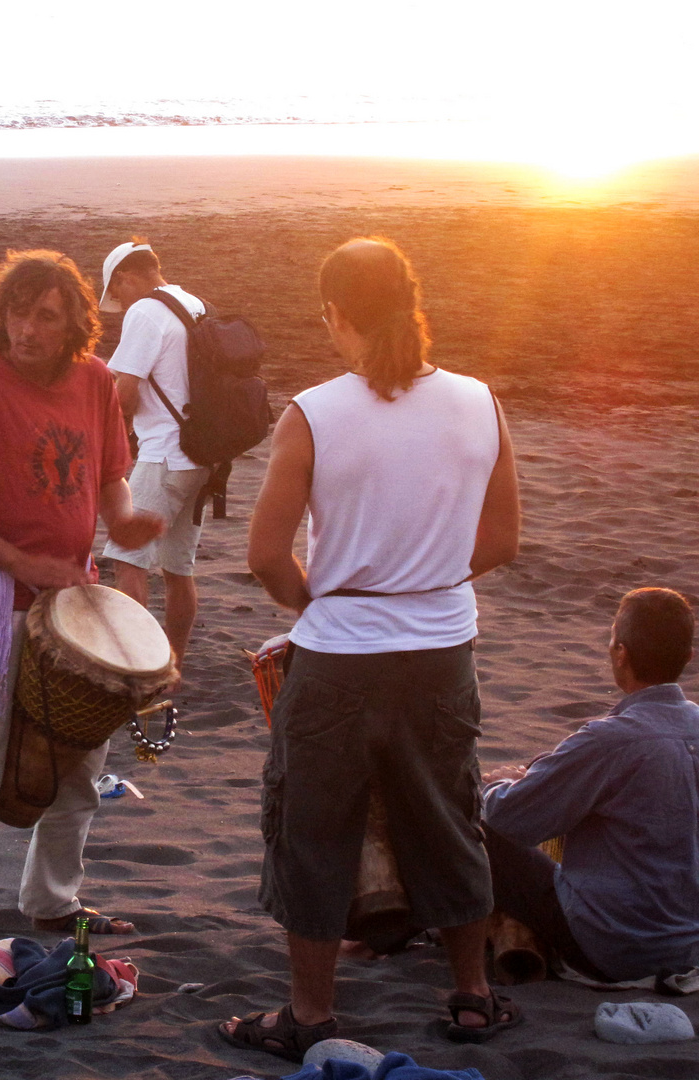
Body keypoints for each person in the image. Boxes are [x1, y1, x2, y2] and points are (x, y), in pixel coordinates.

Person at [230, 237, 521, 1060]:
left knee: (313, 830)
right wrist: (422, 578)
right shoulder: (478, 400)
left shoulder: (314, 412)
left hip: (339, 659)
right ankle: (471, 997)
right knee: (448, 818)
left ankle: (311, 1017)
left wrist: (316, 597)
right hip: (442, 649)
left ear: (335, 316)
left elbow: (264, 555)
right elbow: (500, 538)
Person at [0, 249, 164, 961]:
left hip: (75, 604)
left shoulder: (94, 382)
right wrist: (21, 563)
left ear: (75, 322)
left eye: (45, 317)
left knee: (80, 763)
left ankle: (53, 902)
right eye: (16, 314)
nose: (26, 330)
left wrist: (127, 520)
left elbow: (111, 478)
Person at [482, 587, 699, 983]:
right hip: (687, 944)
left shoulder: (611, 739)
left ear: (621, 653)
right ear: (688, 657)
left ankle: (385, 935)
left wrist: (495, 786)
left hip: (612, 945)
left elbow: (510, 817)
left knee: (471, 814)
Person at [97, 240, 209, 678]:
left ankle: (137, 667)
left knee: (130, 560)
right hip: (203, 458)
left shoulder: (144, 312)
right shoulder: (194, 304)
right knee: (178, 569)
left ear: (125, 277)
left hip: (164, 454)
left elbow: (123, 396)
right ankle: (172, 668)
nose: (120, 302)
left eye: (117, 292)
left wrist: (105, 440)